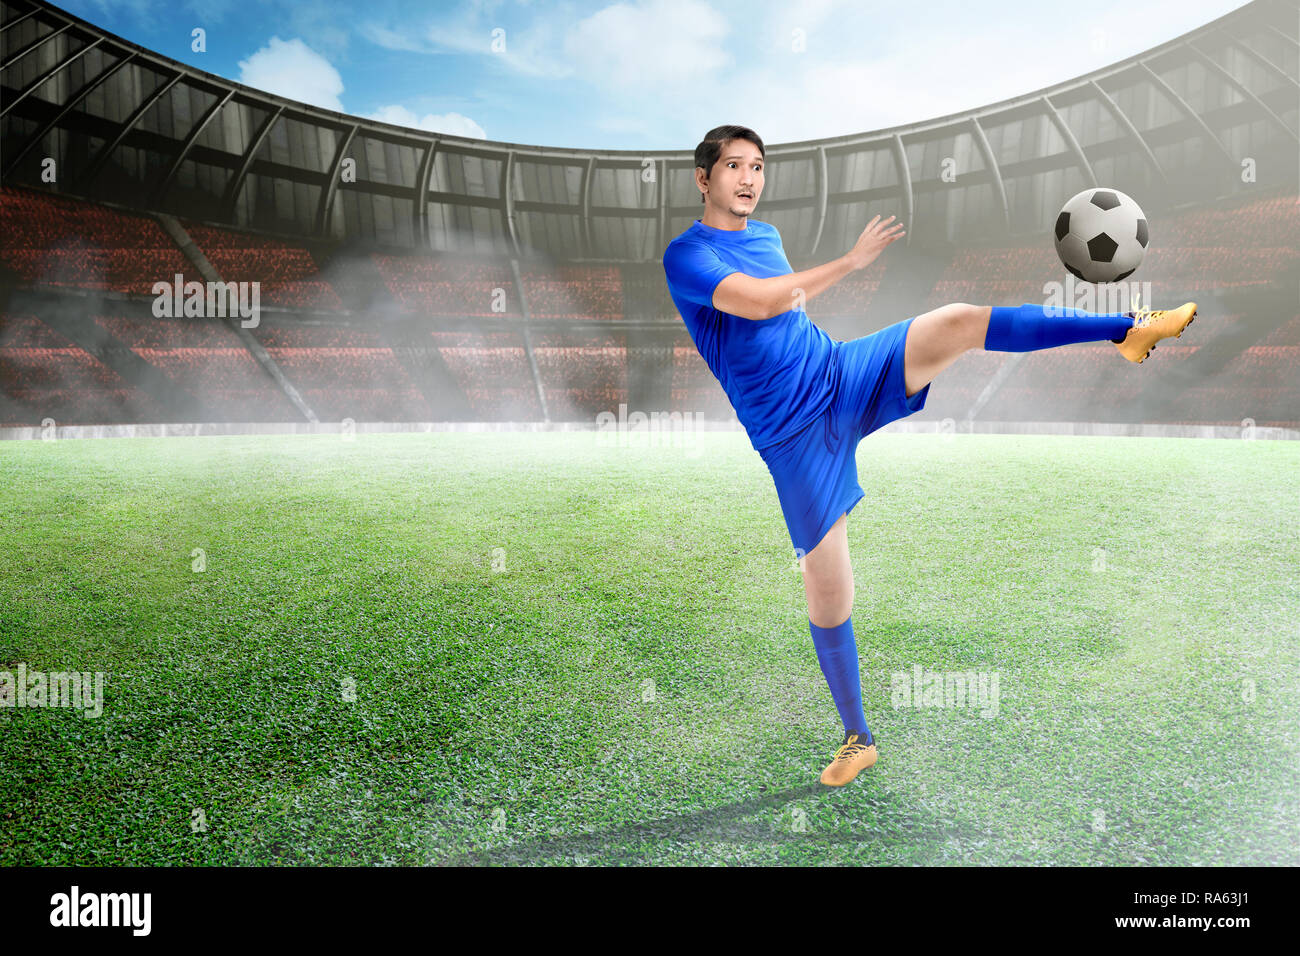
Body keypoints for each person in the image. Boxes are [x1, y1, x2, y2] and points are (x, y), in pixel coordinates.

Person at [662, 124, 1197, 786]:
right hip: (790, 437)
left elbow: (785, 315)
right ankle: (858, 739)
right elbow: (762, 301)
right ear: (704, 178)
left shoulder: (767, 237)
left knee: (959, 319)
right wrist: (851, 263)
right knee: (828, 592)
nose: (749, 179)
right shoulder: (685, 257)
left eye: (759, 167)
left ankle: (1129, 329)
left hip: (839, 373)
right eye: (735, 166)